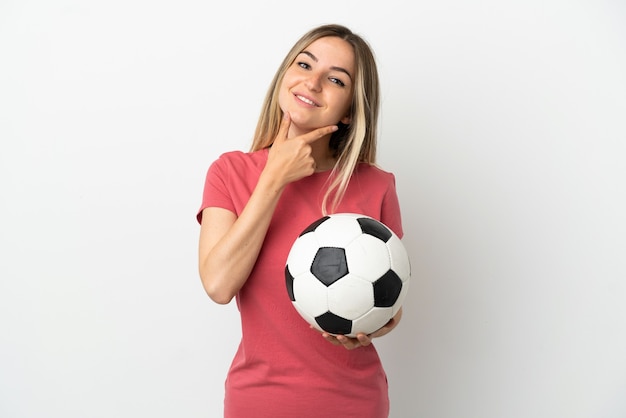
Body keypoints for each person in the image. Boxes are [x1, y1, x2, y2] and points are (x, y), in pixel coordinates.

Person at [196, 23, 404, 418]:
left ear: (349, 111)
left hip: (354, 403)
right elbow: (219, 285)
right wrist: (273, 178)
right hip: (259, 401)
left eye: (336, 80)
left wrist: (377, 325)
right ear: (284, 76)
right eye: (304, 64)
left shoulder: (376, 185)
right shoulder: (229, 173)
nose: (312, 82)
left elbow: (392, 297)